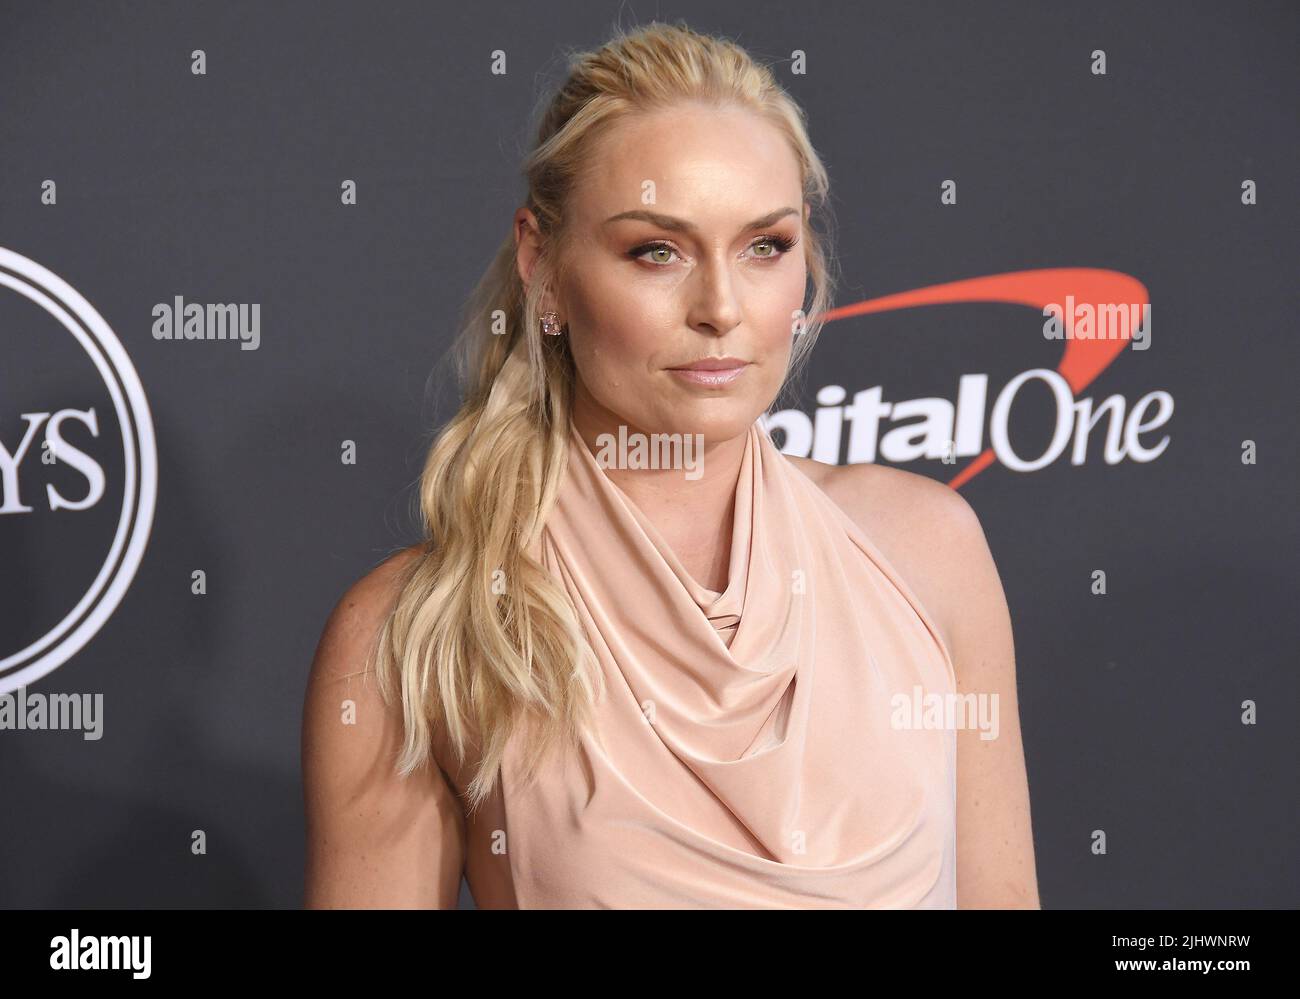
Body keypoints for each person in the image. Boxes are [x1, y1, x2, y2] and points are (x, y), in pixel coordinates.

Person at [301, 20, 1039, 909]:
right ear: (544, 266)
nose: (722, 308)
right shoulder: (419, 633)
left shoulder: (930, 552)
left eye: (766, 245)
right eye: (657, 250)